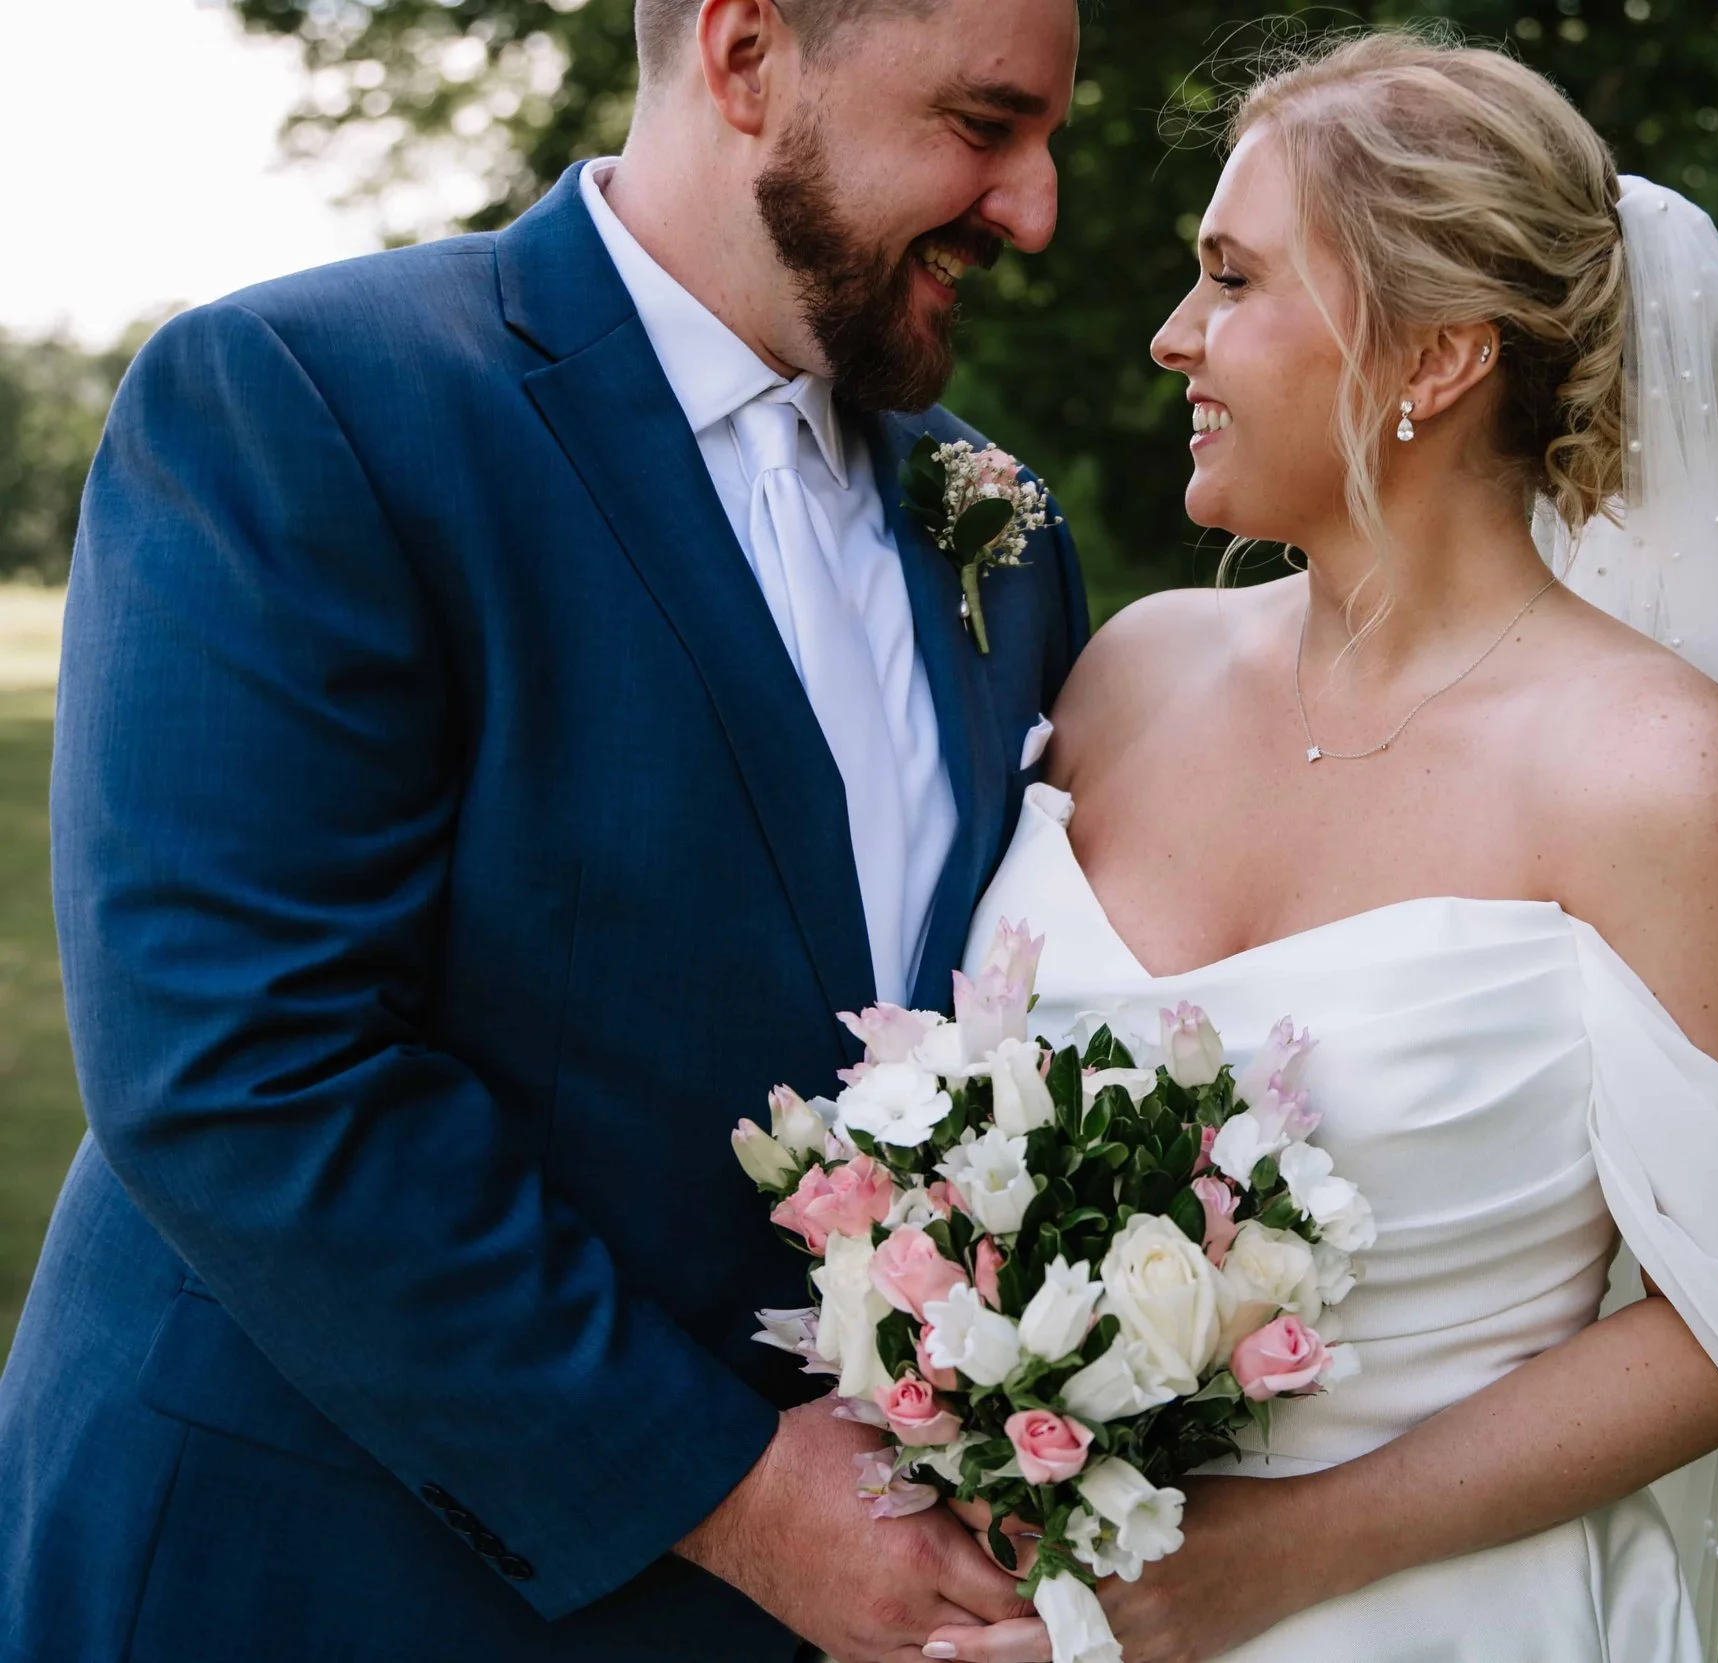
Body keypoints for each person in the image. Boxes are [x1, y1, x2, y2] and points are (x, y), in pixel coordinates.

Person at [0, 2, 1086, 1658]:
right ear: (743, 57)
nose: (1036, 207)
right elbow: (244, 1072)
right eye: (985, 124)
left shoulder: (999, 534)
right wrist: (736, 1493)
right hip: (309, 1577)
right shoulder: (312, 401)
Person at [933, 30, 1718, 1662]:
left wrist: (1276, 1558)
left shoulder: (1655, 772)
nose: (1173, 337)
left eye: (1234, 280)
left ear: (1434, 356)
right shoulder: (1130, 669)